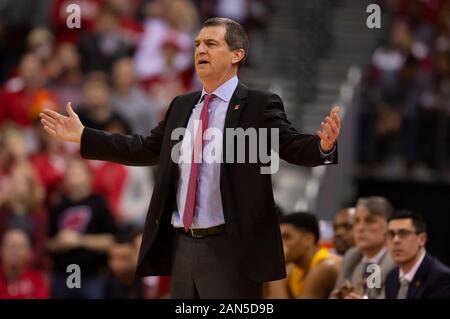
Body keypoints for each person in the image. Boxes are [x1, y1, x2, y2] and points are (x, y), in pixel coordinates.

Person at [39, 17, 341, 299]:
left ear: (236, 55)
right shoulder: (182, 106)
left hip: (230, 246)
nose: (201, 50)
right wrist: (84, 136)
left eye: (211, 44)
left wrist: (321, 146)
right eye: (197, 44)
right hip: (182, 243)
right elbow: (144, 148)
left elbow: (289, 145)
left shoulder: (257, 105)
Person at [46, 158, 116, 299]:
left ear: (89, 177)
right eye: (70, 173)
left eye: (78, 173)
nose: (74, 178)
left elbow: (110, 240)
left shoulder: (99, 203)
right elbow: (48, 243)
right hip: (63, 275)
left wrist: (79, 240)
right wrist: (59, 243)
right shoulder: (59, 206)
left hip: (91, 276)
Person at [331, 197, 395, 299]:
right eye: (357, 221)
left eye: (369, 221)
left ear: (389, 226)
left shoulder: (396, 260)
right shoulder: (352, 255)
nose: (360, 227)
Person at [265, 212, 341, 298]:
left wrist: (276, 267)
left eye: (286, 237)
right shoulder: (293, 269)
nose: (279, 243)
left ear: (308, 240)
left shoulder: (326, 267)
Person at [385, 210, 450, 299]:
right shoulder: (392, 277)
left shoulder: (441, 278)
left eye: (403, 233)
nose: (395, 240)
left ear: (422, 239)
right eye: (391, 234)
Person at [0, 229, 50, 299]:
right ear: (1, 250)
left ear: (30, 253)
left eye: (19, 247)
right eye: (10, 246)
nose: (14, 252)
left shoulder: (37, 280)